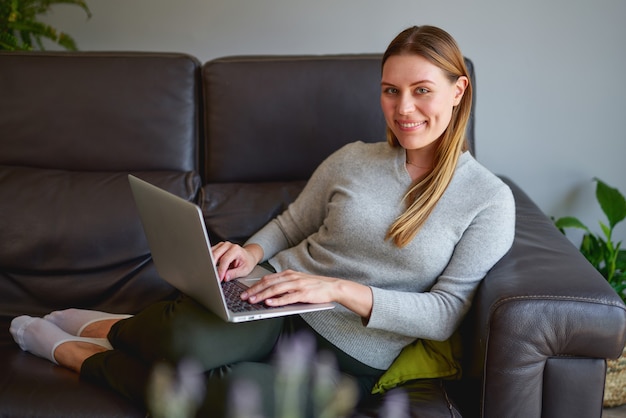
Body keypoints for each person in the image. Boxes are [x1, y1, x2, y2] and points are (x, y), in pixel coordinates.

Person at [9, 25, 515, 414]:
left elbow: (446, 312)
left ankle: (76, 353)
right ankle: (117, 329)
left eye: (421, 90)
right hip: (272, 300)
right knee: (182, 341)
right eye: (389, 90)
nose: (403, 109)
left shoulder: (488, 200)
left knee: (223, 401)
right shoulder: (354, 159)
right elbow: (294, 223)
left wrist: (336, 289)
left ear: (458, 90)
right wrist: (250, 252)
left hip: (351, 354)